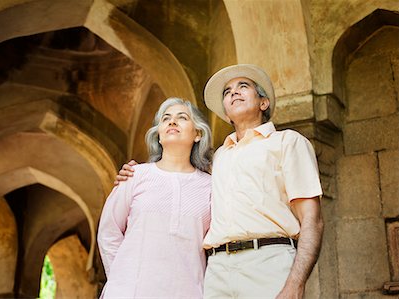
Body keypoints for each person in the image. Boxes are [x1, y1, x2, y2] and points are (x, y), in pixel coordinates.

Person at [116, 64, 324, 299]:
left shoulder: (287, 142)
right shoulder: (217, 159)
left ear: (263, 103)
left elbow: (312, 220)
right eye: (227, 92)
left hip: (268, 261)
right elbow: (178, 177)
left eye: (243, 86)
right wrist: (136, 175)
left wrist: (296, 283)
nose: (234, 92)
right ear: (226, 113)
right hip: (216, 272)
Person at [97, 97, 213, 298]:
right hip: (130, 291)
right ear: (158, 135)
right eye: (166, 118)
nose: (172, 122)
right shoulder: (135, 175)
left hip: (188, 292)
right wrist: (120, 279)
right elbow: (109, 231)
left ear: (198, 134)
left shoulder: (210, 186)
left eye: (182, 117)